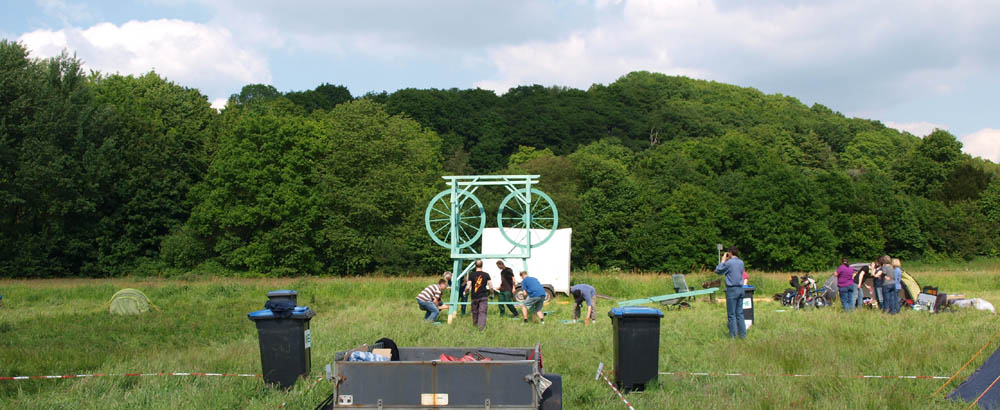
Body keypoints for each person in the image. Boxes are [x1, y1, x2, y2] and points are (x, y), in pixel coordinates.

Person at [715, 246, 746, 339]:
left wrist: (723, 260)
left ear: (730, 253)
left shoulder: (729, 263)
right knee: (740, 313)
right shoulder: (741, 262)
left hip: (732, 289)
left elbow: (718, 270)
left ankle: (733, 336)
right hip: (741, 288)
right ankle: (743, 335)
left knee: (731, 314)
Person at [467, 260, 495, 330]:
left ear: (475, 265)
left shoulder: (471, 274)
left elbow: (468, 287)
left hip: (474, 296)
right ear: (482, 265)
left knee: (474, 312)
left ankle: (475, 325)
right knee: (482, 312)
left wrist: (465, 292)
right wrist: (492, 293)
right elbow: (491, 286)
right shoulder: (486, 274)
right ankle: (481, 328)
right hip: (483, 296)